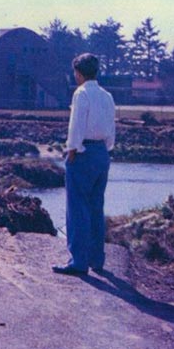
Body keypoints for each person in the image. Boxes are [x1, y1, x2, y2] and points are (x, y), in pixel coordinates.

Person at [53, 53, 115, 276]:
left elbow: (76, 125)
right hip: (102, 152)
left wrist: (72, 149)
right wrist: (105, 148)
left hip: (83, 152)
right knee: (96, 207)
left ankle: (78, 261)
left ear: (78, 73)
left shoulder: (81, 94)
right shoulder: (107, 96)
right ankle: (96, 259)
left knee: (77, 207)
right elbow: (111, 128)